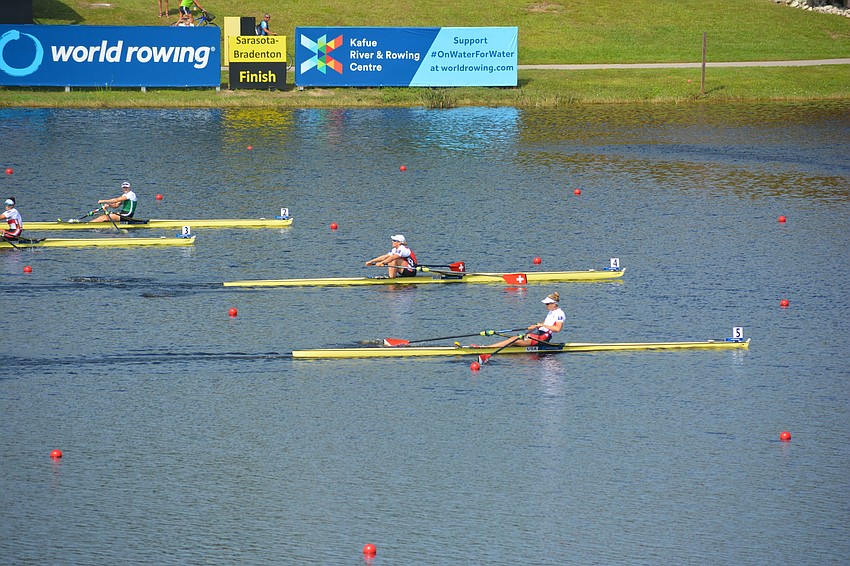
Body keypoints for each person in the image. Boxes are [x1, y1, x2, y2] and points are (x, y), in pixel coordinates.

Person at [475, 292, 565, 348]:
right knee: (514, 339)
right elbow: (547, 323)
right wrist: (536, 325)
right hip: (538, 334)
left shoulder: (559, 313)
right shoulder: (551, 311)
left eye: (547, 304)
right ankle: (490, 347)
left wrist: (542, 325)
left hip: (543, 337)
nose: (546, 305)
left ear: (554, 304)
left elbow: (557, 329)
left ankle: (486, 348)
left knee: (513, 340)